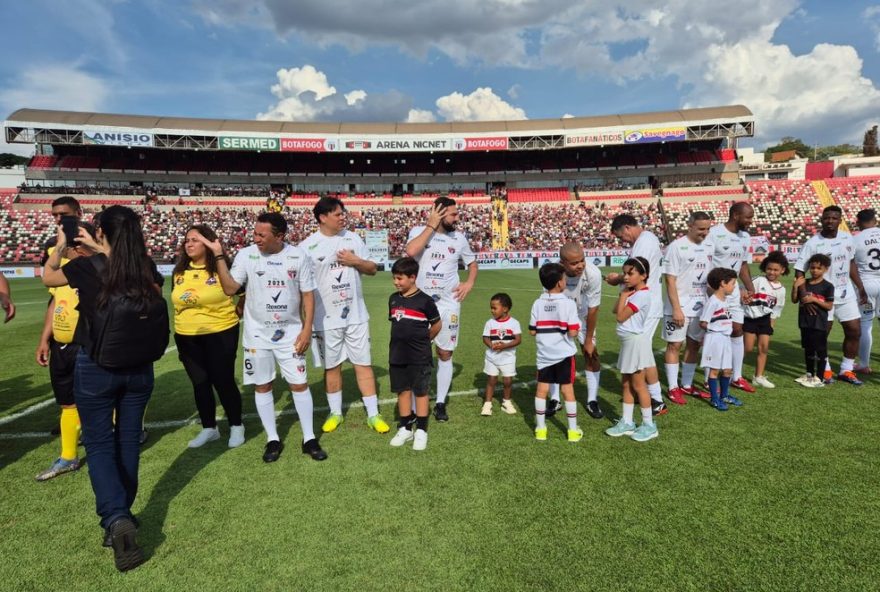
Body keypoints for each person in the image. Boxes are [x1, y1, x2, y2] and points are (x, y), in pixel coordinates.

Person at [42, 205, 167, 572]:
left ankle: (115, 517)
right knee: (128, 441)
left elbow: (49, 278)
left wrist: (63, 245)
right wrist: (104, 250)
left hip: (96, 365)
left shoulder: (85, 266)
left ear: (100, 233)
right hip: (140, 367)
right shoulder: (145, 268)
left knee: (98, 444)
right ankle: (121, 514)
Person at [212, 212, 328, 463]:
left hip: (291, 334)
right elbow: (231, 289)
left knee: (299, 384)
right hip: (256, 335)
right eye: (254, 233)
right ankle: (272, 439)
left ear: (279, 236)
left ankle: (309, 438)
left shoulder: (298, 255)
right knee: (263, 385)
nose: (256, 238)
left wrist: (307, 329)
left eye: (261, 234)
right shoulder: (246, 255)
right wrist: (219, 255)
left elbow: (308, 295)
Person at [299, 196, 390, 434]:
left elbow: (371, 269)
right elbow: (303, 289)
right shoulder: (307, 247)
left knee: (363, 364)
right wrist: (304, 323)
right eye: (338, 214)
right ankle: (336, 413)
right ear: (322, 217)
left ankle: (373, 414)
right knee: (332, 367)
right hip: (324, 319)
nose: (343, 217)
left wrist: (355, 260)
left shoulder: (353, 238)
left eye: (343, 213)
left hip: (357, 316)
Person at [34, 221, 98, 481]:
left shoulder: (97, 267)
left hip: (87, 345)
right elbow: (55, 302)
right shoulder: (63, 270)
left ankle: (114, 443)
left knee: (99, 400)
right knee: (67, 403)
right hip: (60, 346)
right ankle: (68, 457)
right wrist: (44, 339)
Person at [405, 197, 478, 422]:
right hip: (420, 304)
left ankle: (439, 403)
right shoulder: (419, 231)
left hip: (449, 303)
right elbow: (411, 251)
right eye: (453, 214)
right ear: (438, 213)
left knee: (445, 354)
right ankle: (417, 406)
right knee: (418, 354)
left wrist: (469, 282)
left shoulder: (459, 238)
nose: (457, 218)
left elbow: (472, 264)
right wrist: (431, 225)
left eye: (457, 213)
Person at [172, 224, 245, 449]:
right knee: (200, 383)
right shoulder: (180, 271)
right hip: (186, 336)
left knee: (223, 380)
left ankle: (236, 425)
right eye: (187, 240)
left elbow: (243, 292)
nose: (189, 244)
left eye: (195, 240)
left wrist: (238, 309)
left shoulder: (222, 268)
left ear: (208, 242)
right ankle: (209, 428)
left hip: (220, 332)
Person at [794, 205, 866, 385]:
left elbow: (851, 264)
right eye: (827, 218)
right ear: (821, 219)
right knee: (821, 334)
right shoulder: (812, 243)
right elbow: (799, 272)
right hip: (822, 295)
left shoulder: (847, 238)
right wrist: (804, 297)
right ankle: (824, 370)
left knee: (854, 331)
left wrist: (860, 287)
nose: (830, 221)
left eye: (834, 218)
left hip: (846, 292)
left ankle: (846, 370)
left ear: (840, 220)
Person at [607, 214, 666, 415]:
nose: (622, 240)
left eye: (620, 236)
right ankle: (655, 397)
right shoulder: (648, 239)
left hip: (644, 305)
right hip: (648, 302)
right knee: (644, 352)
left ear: (626, 228)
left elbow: (634, 273)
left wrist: (617, 280)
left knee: (642, 354)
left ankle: (655, 399)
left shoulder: (643, 242)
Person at [387, 257, 442, 451]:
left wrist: (424, 340)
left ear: (412, 277)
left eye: (400, 278)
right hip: (397, 354)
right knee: (402, 390)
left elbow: (437, 324)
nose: (396, 282)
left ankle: (422, 430)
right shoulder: (393, 299)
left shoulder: (425, 301)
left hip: (419, 355)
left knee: (420, 391)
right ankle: (405, 427)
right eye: (394, 278)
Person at [605, 257, 659, 442]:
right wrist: (624, 293)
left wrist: (622, 296)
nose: (626, 277)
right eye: (624, 273)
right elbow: (615, 310)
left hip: (635, 343)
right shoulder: (633, 293)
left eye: (631, 273)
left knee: (638, 385)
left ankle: (649, 425)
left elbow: (620, 317)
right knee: (626, 384)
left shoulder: (642, 294)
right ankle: (627, 422)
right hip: (628, 343)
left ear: (643, 275)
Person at [662, 212, 713, 404]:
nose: (705, 233)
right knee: (675, 345)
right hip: (679, 306)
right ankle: (673, 387)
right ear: (689, 226)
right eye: (701, 229)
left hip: (700, 306)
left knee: (694, 345)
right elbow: (670, 280)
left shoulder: (709, 245)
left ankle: (687, 384)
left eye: (708, 228)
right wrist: (676, 308)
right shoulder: (676, 247)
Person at [529, 262, 583, 443]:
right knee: (568, 391)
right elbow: (573, 332)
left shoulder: (537, 303)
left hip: (544, 354)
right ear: (560, 283)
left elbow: (532, 331)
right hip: (564, 354)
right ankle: (573, 431)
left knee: (541, 390)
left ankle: (541, 429)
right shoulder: (568, 304)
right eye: (564, 277)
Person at [707, 202, 757, 393]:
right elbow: (707, 261)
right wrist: (713, 292)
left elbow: (743, 265)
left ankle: (737, 377)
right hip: (717, 291)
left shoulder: (745, 237)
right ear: (736, 215)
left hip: (734, 290)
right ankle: (708, 378)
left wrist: (750, 288)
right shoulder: (715, 233)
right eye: (748, 217)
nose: (750, 221)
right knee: (716, 333)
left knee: (737, 330)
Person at [551, 242, 603, 419]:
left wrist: (588, 340)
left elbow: (593, 309)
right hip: (560, 317)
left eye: (582, 260)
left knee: (591, 355)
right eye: (574, 263)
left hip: (583, 317)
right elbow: (550, 301)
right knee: (556, 357)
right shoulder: (552, 272)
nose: (580, 265)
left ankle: (592, 400)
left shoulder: (593, 274)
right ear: (563, 262)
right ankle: (555, 398)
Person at [743, 250, 789, 388]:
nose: (772, 272)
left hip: (765, 321)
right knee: (748, 348)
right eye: (769, 269)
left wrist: (771, 325)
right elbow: (743, 290)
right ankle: (733, 373)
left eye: (776, 270)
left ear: (782, 270)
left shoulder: (782, 289)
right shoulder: (758, 280)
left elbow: (776, 309)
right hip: (750, 318)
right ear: (764, 268)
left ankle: (759, 377)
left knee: (764, 349)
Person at [700, 268, 742, 411]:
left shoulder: (724, 300)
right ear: (723, 283)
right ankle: (714, 399)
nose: (734, 286)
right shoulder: (713, 302)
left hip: (725, 338)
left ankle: (724, 395)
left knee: (728, 370)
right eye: (732, 283)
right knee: (714, 370)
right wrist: (709, 334)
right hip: (715, 338)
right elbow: (703, 322)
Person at [792, 254, 835, 387]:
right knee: (808, 349)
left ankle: (820, 378)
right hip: (804, 321)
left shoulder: (828, 286)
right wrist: (795, 287)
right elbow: (794, 300)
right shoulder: (804, 283)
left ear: (825, 269)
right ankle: (809, 374)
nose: (815, 270)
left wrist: (814, 299)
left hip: (819, 323)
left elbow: (829, 306)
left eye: (818, 268)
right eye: (812, 268)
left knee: (820, 350)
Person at [480, 292, 521, 416]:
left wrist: (505, 346)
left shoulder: (514, 323)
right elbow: (485, 338)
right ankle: (487, 404)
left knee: (507, 381)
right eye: (491, 307)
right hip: (492, 357)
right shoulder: (490, 323)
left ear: (505, 309)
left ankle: (506, 402)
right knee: (491, 379)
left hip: (508, 358)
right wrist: (492, 345)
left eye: (494, 308)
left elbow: (518, 339)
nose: (492, 310)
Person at [853, 208, 880, 373]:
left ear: (858, 223)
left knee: (866, 324)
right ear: (875, 220)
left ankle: (863, 364)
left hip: (867, 284)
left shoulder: (855, 239)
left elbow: (851, 266)